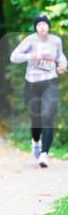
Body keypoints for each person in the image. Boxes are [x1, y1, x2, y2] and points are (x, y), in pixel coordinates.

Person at [10, 14, 67, 167]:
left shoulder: (56, 41)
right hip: (32, 83)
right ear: (35, 27)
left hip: (50, 82)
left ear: (48, 26)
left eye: (44, 24)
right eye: (39, 24)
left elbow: (61, 56)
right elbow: (14, 57)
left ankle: (44, 154)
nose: (42, 26)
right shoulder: (30, 40)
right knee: (36, 120)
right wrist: (31, 55)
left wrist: (63, 65)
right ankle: (36, 141)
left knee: (48, 116)